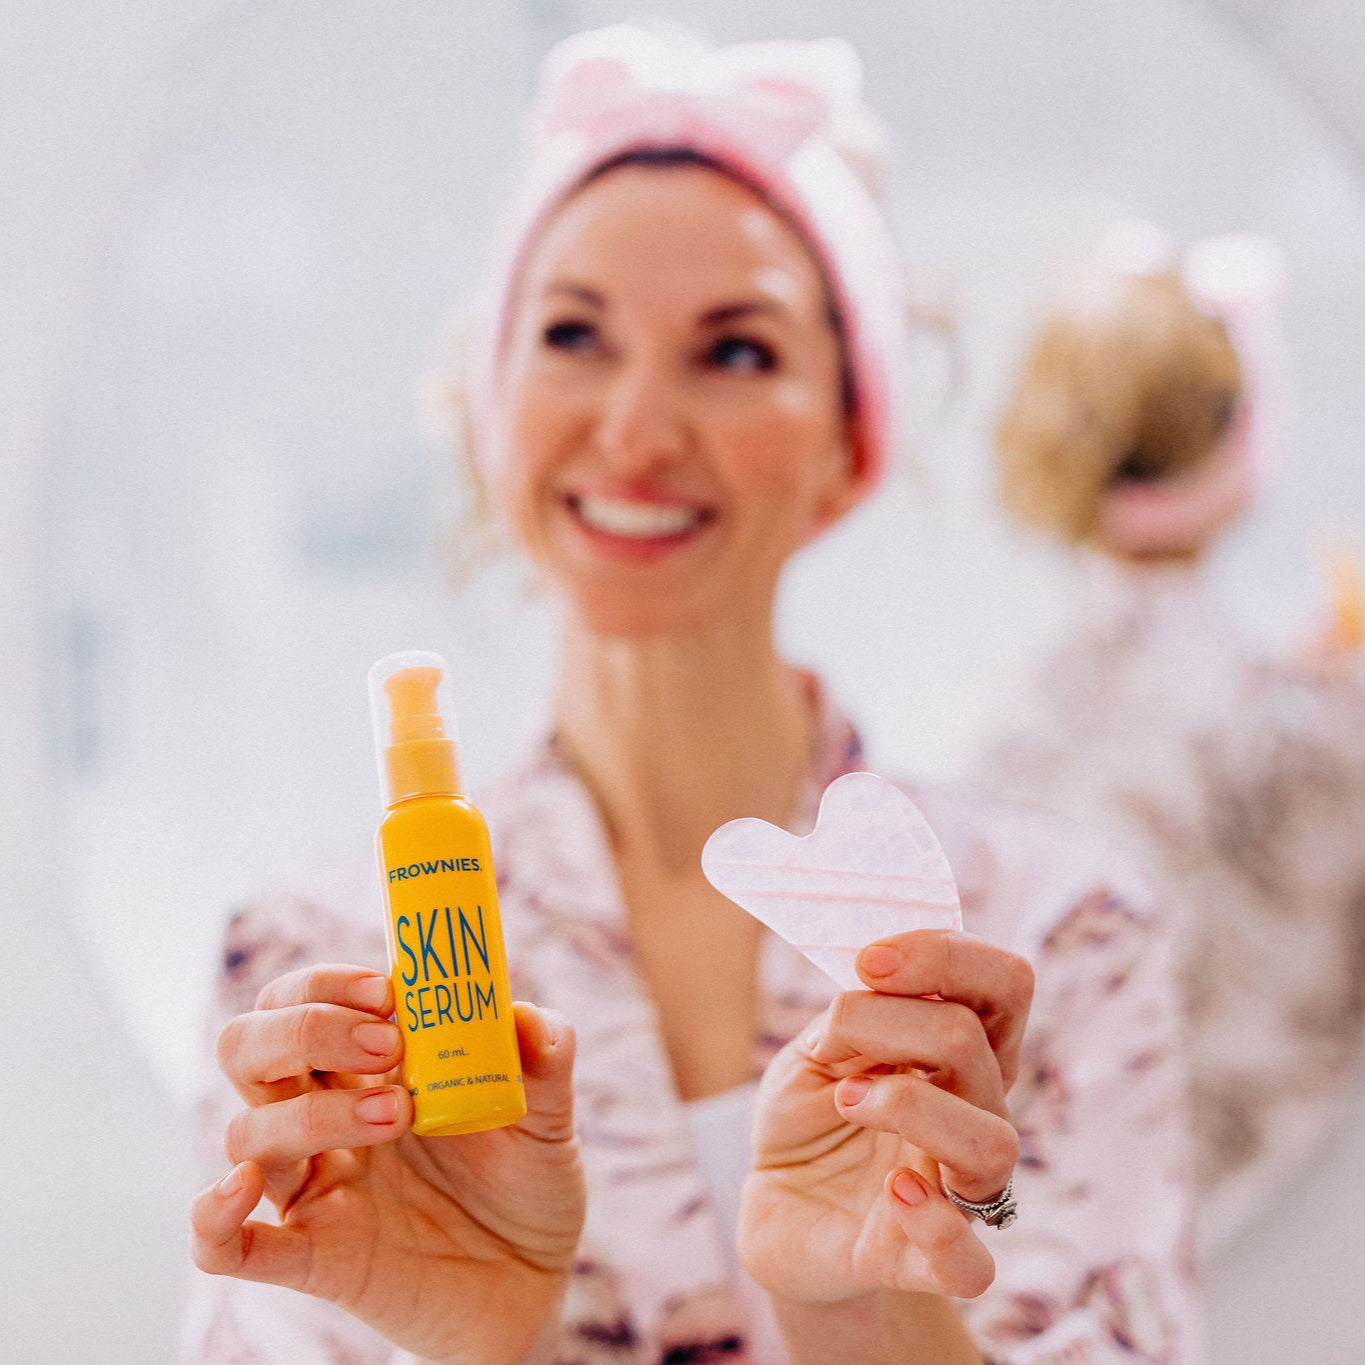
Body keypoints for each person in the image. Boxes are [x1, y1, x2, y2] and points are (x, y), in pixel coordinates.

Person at [187, 29, 1199, 1364]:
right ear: (489, 411)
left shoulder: (1051, 941)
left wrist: (870, 1319)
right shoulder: (324, 978)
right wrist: (482, 1343)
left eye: (733, 353)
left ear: (851, 439)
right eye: (571, 335)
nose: (638, 426)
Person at [975, 220, 1365, 1250]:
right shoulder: (1323, 731)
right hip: (1313, 1224)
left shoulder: (1009, 753)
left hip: (1096, 1247)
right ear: (1245, 438)